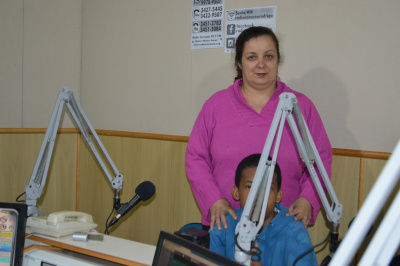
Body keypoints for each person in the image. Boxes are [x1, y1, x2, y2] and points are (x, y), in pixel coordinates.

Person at [185, 26, 332, 230]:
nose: (261, 64)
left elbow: (320, 159)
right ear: (239, 62)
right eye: (252, 57)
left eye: (269, 56)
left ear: (278, 60)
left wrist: (308, 198)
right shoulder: (215, 106)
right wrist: (213, 200)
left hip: (284, 224)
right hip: (226, 223)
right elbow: (195, 158)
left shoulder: (300, 106)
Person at [209, 153, 318, 266]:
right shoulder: (224, 226)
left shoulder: (295, 233)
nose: (258, 196)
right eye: (249, 187)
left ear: (278, 196)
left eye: (267, 188)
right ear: (236, 193)